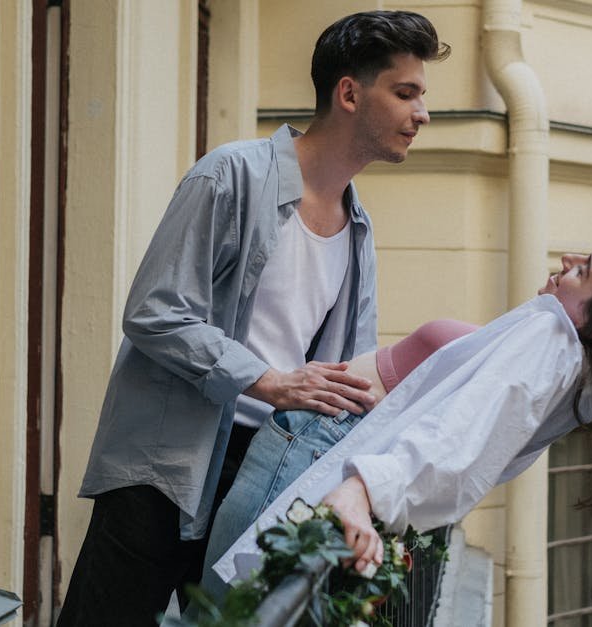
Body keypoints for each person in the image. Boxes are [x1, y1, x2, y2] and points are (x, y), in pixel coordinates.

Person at [58, 11, 450, 626]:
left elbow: (343, 375)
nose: (422, 113)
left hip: (264, 474)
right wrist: (267, 380)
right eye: (406, 93)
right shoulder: (232, 174)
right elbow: (155, 311)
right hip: (166, 463)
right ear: (349, 93)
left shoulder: (359, 229)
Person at [206, 243, 592, 593]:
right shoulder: (579, 373)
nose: (566, 262)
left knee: (225, 608)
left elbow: (461, 437)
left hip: (319, 446)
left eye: (584, 272)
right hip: (327, 444)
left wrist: (363, 490)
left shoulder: (550, 338)